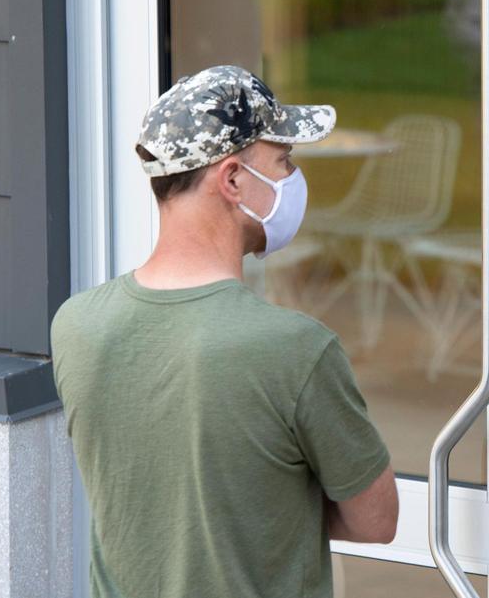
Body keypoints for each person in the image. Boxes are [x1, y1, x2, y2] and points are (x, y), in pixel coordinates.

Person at [50, 65, 398, 598]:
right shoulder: (295, 349)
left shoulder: (76, 324)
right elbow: (375, 520)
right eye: (282, 162)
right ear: (233, 180)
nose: (291, 178)